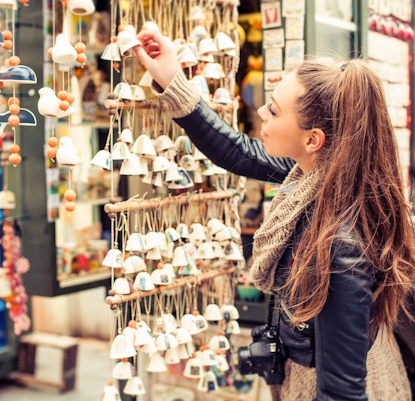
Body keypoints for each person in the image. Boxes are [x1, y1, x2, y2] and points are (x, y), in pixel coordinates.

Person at [134, 28, 415, 401]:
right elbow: (236, 151)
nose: (262, 111)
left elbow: (343, 390)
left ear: (313, 139)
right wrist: (172, 80)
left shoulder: (341, 246)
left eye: (275, 110)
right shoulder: (315, 175)